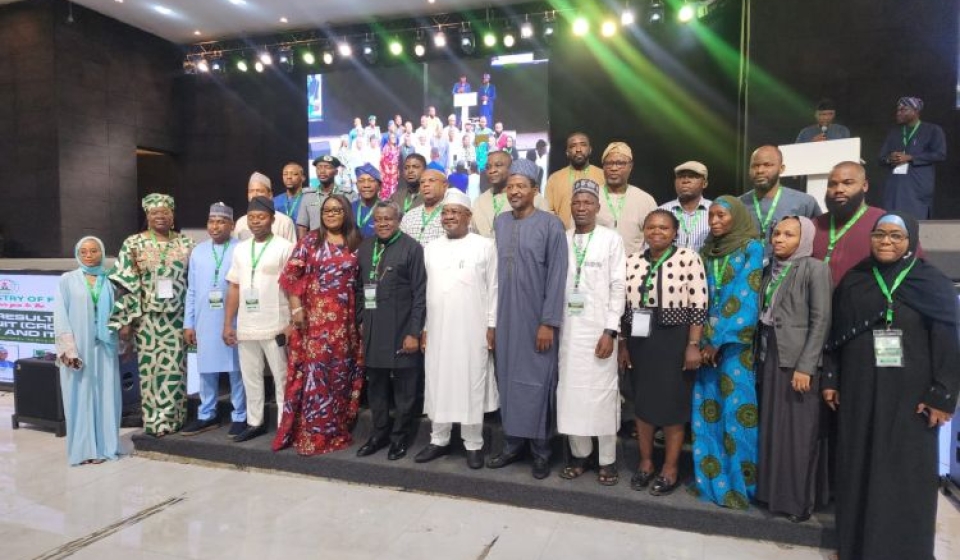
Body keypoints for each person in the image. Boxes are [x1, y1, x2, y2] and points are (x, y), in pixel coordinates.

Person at [822, 212, 959, 560]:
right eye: (880, 235)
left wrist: (942, 396)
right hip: (859, 391)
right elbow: (836, 335)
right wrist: (831, 379)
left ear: (910, 241)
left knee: (903, 473)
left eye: (896, 236)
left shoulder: (931, 283)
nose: (886, 242)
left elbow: (947, 343)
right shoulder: (856, 279)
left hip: (910, 397)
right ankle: (854, 547)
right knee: (857, 465)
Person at [487, 159, 568, 479]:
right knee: (507, 381)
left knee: (538, 384)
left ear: (535, 190)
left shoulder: (551, 225)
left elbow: (557, 277)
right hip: (506, 320)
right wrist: (491, 323)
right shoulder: (500, 222)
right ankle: (512, 445)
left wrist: (548, 322)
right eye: (510, 186)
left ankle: (541, 451)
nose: (514, 191)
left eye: (521, 186)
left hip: (538, 321)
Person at [619, 210, 707, 496]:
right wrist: (622, 343)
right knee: (643, 403)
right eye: (651, 227)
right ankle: (645, 462)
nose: (657, 232)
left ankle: (670, 467)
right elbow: (621, 305)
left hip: (674, 339)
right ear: (644, 230)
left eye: (664, 228)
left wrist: (693, 344)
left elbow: (698, 304)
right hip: (639, 339)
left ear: (674, 232)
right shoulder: (631, 261)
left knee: (672, 407)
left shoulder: (688, 258)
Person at [273, 194, 365, 456]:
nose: (332, 214)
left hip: (346, 325)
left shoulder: (356, 241)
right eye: (327, 210)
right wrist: (297, 309)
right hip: (315, 323)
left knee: (339, 378)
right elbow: (291, 276)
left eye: (337, 209)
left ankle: (336, 430)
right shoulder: (310, 241)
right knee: (316, 377)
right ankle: (314, 434)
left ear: (346, 212)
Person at [755, 216, 832, 522]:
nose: (780, 239)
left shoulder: (815, 268)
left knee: (797, 434)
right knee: (774, 428)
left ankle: (795, 502)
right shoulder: (768, 269)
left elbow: (821, 320)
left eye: (789, 235)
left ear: (804, 239)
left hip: (798, 361)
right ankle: (770, 493)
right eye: (776, 234)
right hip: (770, 353)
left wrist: (807, 366)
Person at [415, 190, 499, 469]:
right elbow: (426, 292)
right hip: (438, 330)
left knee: (471, 381)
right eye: (445, 212)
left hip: (473, 328)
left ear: (468, 216)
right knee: (439, 380)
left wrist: (492, 325)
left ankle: (473, 443)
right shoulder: (431, 249)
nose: (449, 217)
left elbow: (494, 289)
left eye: (455, 212)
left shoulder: (485, 246)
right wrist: (425, 327)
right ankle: (438, 439)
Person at [692, 195, 764, 509]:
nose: (716, 221)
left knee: (737, 414)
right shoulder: (706, 251)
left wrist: (718, 341)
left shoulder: (752, 247)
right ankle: (711, 480)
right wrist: (699, 342)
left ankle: (741, 484)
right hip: (704, 343)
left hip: (734, 347)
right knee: (707, 412)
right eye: (712, 217)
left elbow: (745, 298)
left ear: (736, 216)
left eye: (722, 216)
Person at [556, 179, 626, 486]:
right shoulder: (563, 238)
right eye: (576, 203)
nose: (581, 208)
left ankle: (607, 460)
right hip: (569, 333)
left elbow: (618, 286)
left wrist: (610, 330)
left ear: (598, 207)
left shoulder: (611, 239)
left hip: (600, 332)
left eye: (587, 203)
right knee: (571, 394)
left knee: (601, 394)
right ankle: (580, 455)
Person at [110, 193, 195, 437]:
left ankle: (175, 419)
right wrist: (125, 320)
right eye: (155, 212)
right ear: (147, 216)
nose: (161, 216)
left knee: (175, 370)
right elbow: (125, 283)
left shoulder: (186, 243)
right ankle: (155, 421)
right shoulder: (133, 243)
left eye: (165, 212)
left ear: (173, 215)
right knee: (150, 370)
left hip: (177, 317)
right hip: (146, 317)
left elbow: (196, 281)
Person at [356, 201, 427, 460]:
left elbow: (421, 294)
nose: (383, 223)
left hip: (402, 330)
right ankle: (379, 434)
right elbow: (358, 289)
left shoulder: (412, 248)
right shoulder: (365, 247)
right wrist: (361, 320)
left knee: (404, 390)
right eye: (378, 219)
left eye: (388, 219)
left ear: (398, 221)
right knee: (376, 386)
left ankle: (400, 438)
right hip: (374, 329)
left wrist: (414, 332)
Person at [223, 196, 294, 443]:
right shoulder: (240, 249)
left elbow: (295, 287)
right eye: (252, 218)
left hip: (276, 322)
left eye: (261, 217)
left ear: (272, 219)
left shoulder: (285, 247)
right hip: (246, 325)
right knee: (250, 376)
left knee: (281, 377)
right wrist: (228, 323)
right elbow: (234, 287)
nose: (255, 222)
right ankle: (255, 422)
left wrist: (292, 323)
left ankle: (285, 425)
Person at [182, 203, 246, 439]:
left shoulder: (241, 248)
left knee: (236, 369)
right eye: (211, 221)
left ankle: (240, 415)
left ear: (231, 225)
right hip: (204, 319)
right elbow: (191, 290)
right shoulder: (198, 251)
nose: (215, 226)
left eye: (221, 221)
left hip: (233, 318)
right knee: (205, 369)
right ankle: (207, 414)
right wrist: (188, 323)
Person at [54, 236, 121, 465]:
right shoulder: (68, 280)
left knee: (106, 395)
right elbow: (60, 316)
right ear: (77, 254)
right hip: (78, 349)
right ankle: (83, 450)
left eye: (94, 251)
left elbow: (120, 312)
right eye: (84, 252)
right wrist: (68, 351)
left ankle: (105, 447)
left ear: (102, 253)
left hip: (105, 347)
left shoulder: (111, 279)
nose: (89, 255)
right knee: (79, 396)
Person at [740, 145, 821, 261]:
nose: (760, 170)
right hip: (746, 274)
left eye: (767, 165)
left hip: (787, 274)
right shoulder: (737, 204)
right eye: (755, 166)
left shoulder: (804, 202)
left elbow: (817, 244)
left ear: (781, 168)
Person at [812, 161, 887, 285]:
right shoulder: (815, 224)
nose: (839, 190)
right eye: (832, 184)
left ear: (865, 186)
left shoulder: (883, 221)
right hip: (817, 302)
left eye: (848, 183)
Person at [878, 97, 947, 219]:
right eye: (898, 110)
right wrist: (890, 158)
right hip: (895, 186)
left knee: (916, 220)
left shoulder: (932, 130)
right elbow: (881, 158)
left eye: (903, 110)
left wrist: (910, 157)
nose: (898, 113)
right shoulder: (894, 132)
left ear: (915, 111)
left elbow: (940, 154)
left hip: (917, 185)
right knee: (893, 219)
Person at [596, 142, 657, 255]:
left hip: (633, 268)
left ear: (630, 166)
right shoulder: (591, 197)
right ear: (603, 166)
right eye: (609, 163)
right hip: (597, 267)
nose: (614, 168)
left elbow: (654, 239)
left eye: (620, 163)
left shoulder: (645, 200)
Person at [471, 151, 548, 238]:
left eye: (498, 165)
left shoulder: (532, 197)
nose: (492, 170)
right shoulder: (479, 202)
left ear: (511, 168)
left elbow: (546, 231)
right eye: (488, 167)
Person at [546, 132, 605, 229]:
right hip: (563, 238)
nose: (578, 149)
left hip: (596, 238)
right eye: (573, 146)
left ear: (590, 150)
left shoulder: (602, 176)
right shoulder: (554, 178)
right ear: (567, 152)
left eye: (583, 145)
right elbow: (548, 212)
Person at [658, 161, 712, 252]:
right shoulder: (661, 212)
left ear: (705, 183)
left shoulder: (715, 211)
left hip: (704, 265)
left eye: (692, 176)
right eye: (680, 177)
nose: (685, 180)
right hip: (671, 265)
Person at [297, 155, 357, 237]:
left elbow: (353, 224)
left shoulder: (348, 195)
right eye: (319, 168)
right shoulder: (308, 196)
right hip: (315, 244)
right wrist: (303, 247)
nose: (322, 171)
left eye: (327, 167)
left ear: (336, 172)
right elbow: (302, 227)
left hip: (341, 243)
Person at [234, 172, 297, 243]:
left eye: (259, 191)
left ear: (270, 195)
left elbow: (292, 251)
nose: (255, 195)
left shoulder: (285, 222)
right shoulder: (240, 222)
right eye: (251, 191)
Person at [399, 169, 448, 246]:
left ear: (445, 186)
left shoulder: (453, 214)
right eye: (422, 182)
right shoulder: (410, 216)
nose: (425, 184)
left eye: (431, 180)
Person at [274, 163, 307, 228]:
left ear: (303, 178)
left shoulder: (308, 199)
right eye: (285, 174)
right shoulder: (275, 201)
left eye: (294, 174)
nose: (288, 177)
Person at [352, 163, 381, 238]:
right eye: (361, 181)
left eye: (371, 180)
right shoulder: (349, 208)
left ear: (380, 186)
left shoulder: (387, 209)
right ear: (356, 185)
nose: (366, 185)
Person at [380, 132, 401, 200]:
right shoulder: (386, 147)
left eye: (394, 137)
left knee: (394, 188)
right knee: (387, 189)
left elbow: (399, 160)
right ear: (389, 139)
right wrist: (386, 169)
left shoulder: (397, 148)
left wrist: (398, 170)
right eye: (392, 138)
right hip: (387, 173)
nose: (394, 139)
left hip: (395, 172)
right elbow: (383, 160)